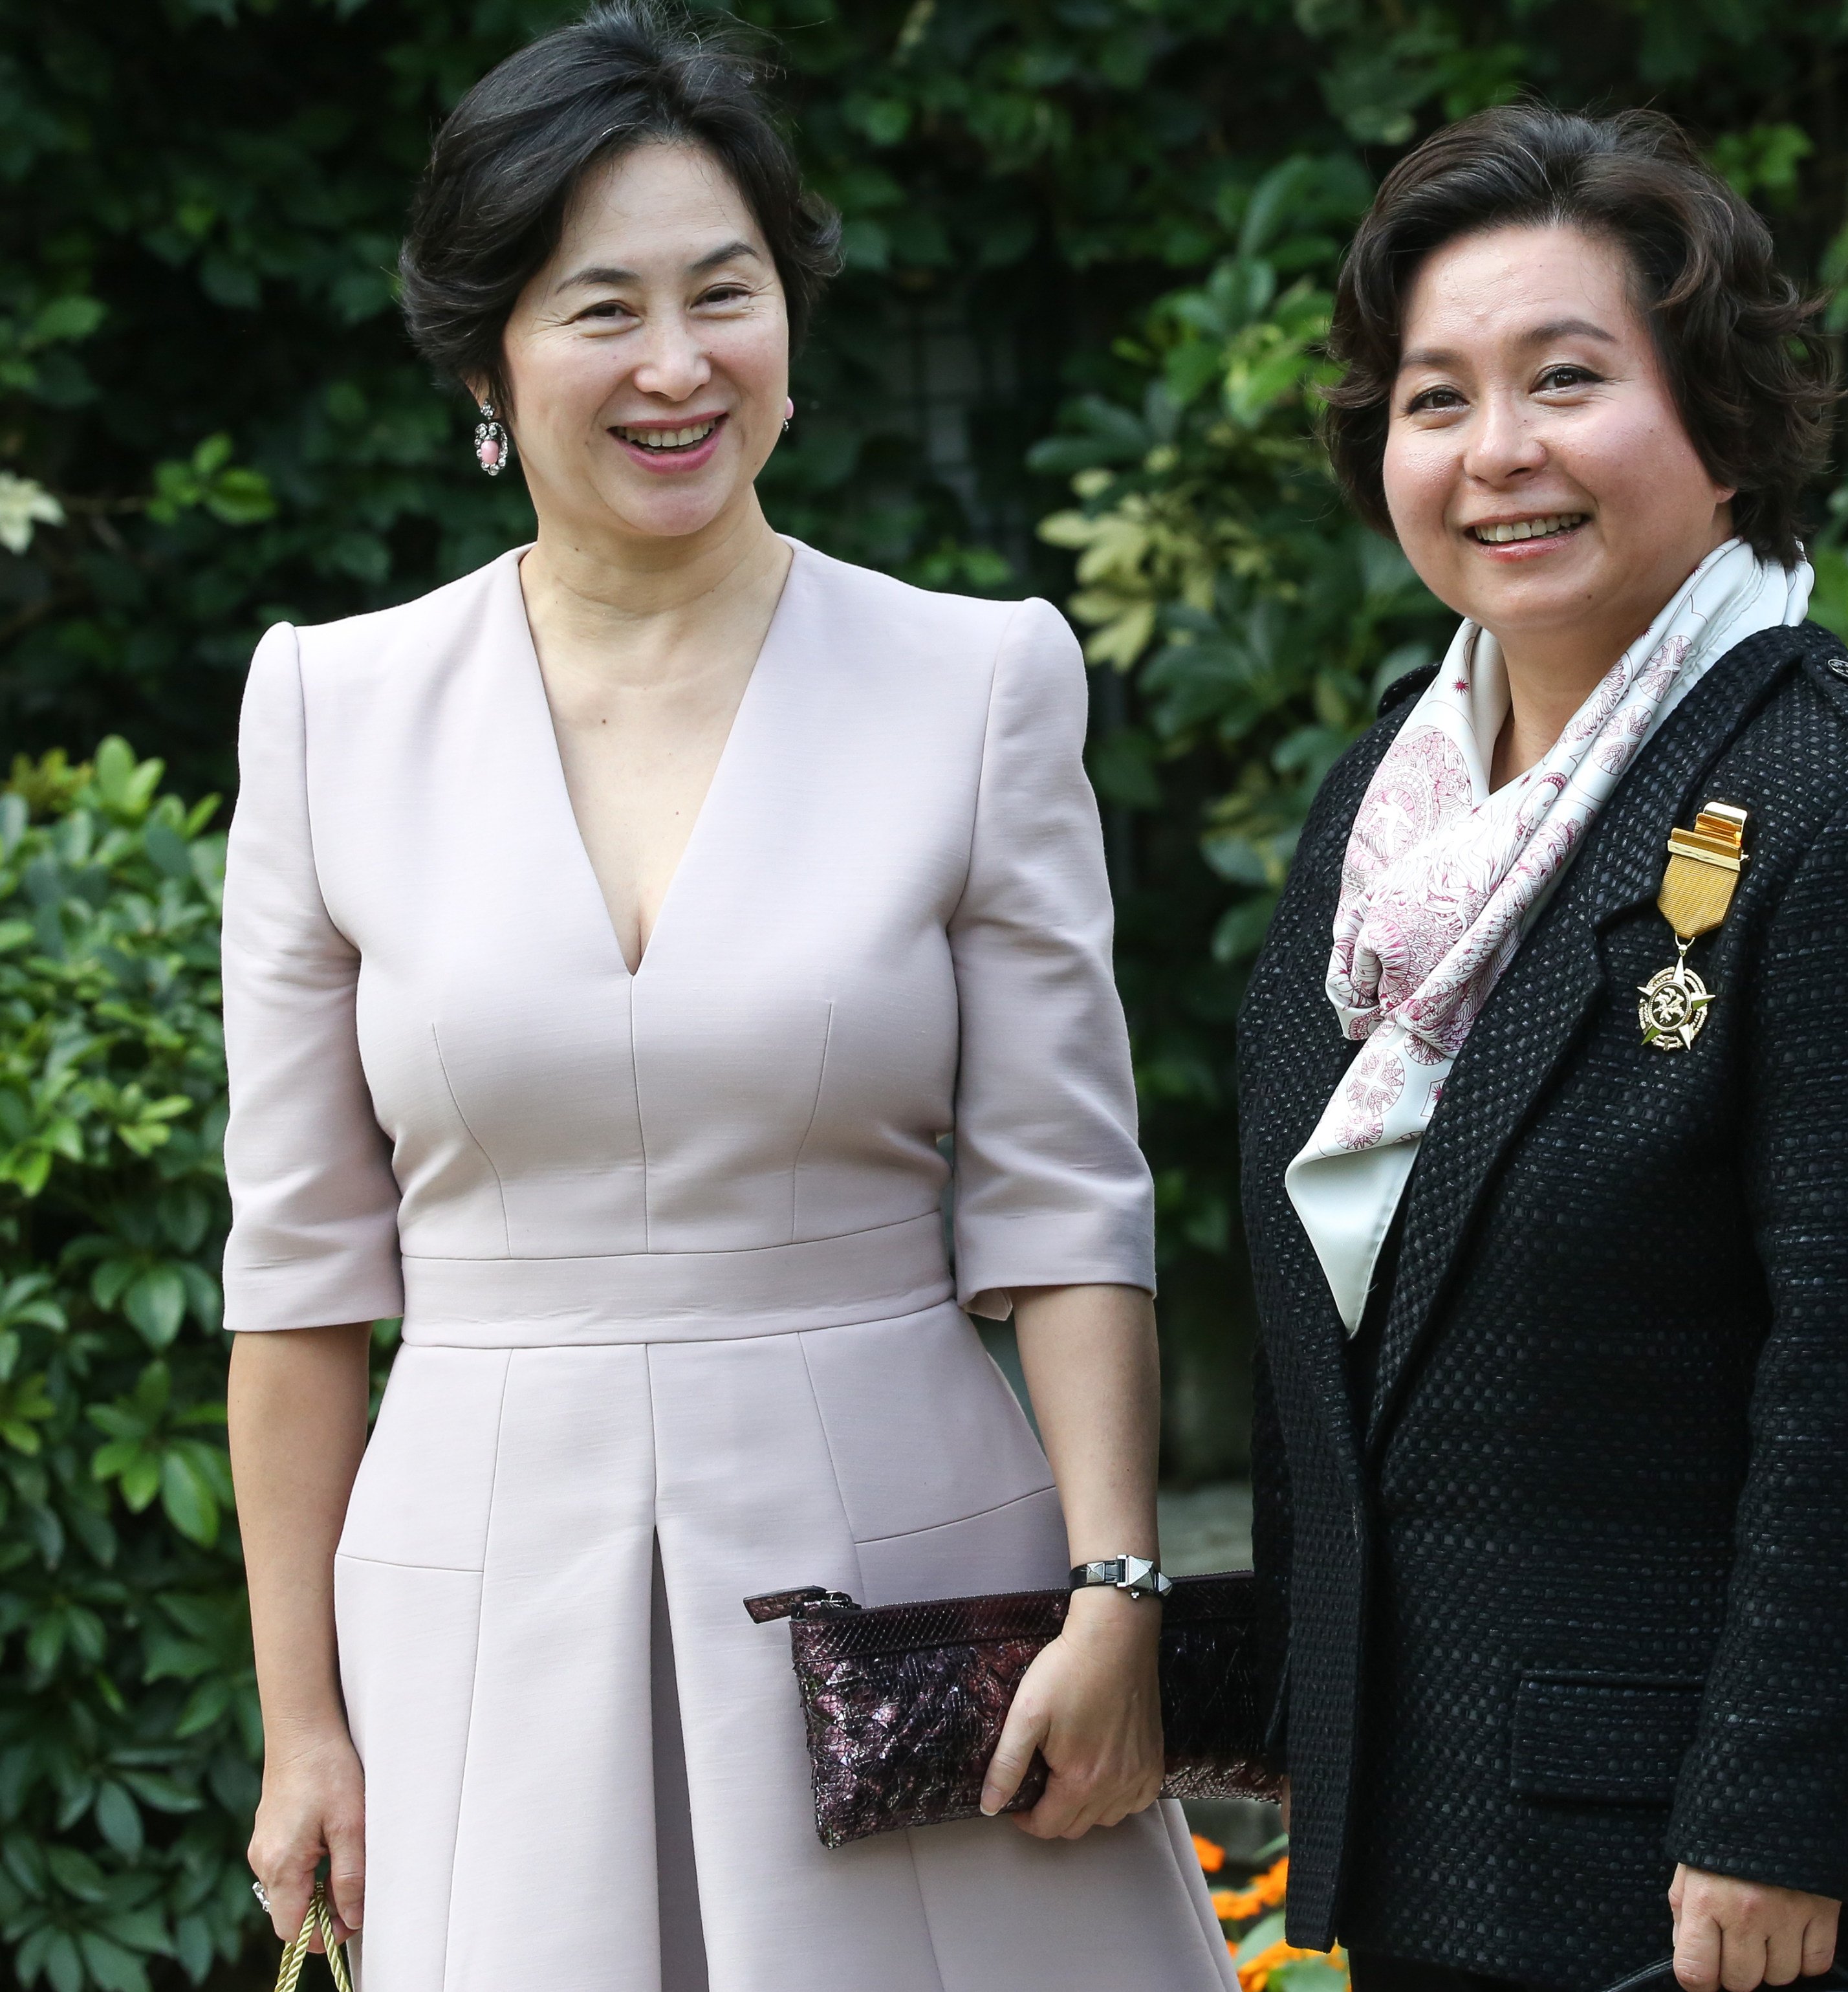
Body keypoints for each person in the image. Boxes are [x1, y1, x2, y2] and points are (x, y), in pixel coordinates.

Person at [220, 8, 1236, 1989]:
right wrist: (302, 1723)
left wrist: (1115, 1588)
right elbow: (300, 1279)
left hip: (903, 1579)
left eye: (726, 293)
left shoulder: (979, 682)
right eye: (604, 308)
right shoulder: (329, 711)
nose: (678, 365)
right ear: (489, 357)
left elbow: (1065, 1197)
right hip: (478, 1596)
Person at [1237, 105, 1848, 1992]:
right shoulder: (1389, 811)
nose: (1497, 450)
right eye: (1436, 398)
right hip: (1444, 1838)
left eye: (1567, 378)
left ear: (1722, 420)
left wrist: (1785, 1815)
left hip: (1731, 1893)